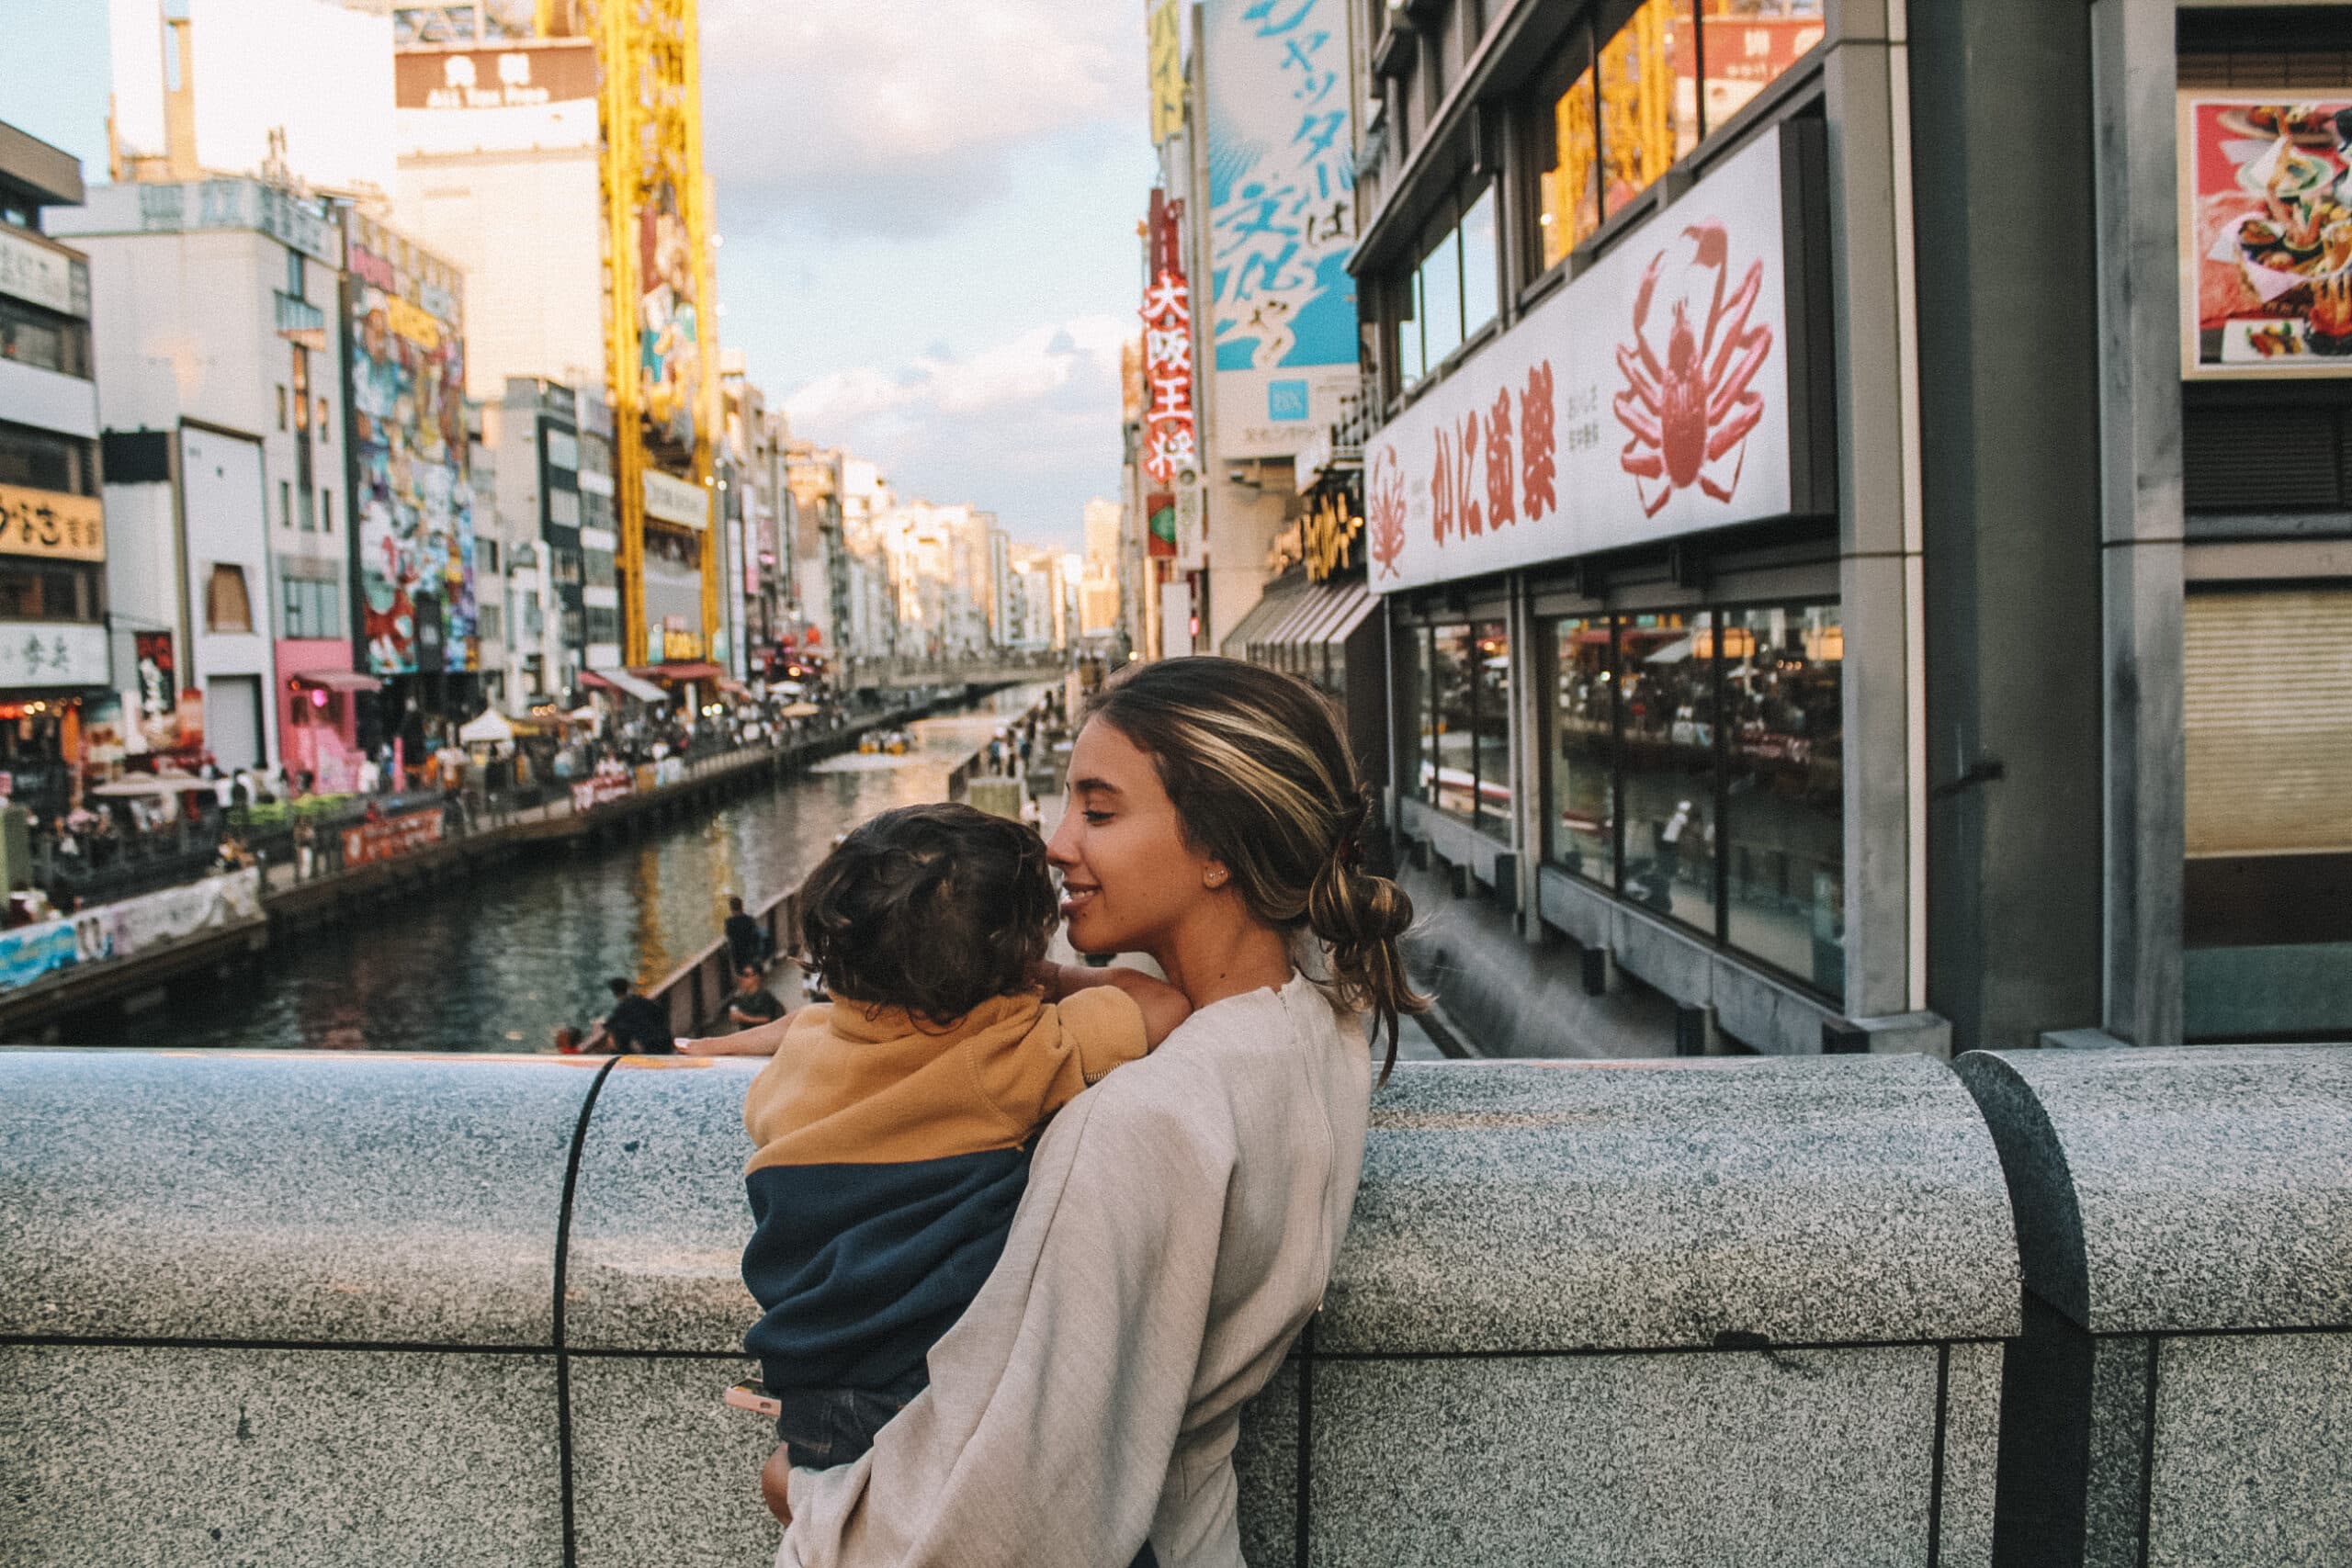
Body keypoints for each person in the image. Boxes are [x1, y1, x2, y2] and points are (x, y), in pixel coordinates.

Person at [769, 657, 1421, 1568]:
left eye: (1099, 812)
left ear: (1218, 848)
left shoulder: (1133, 1122)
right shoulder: (1316, 1028)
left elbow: (996, 1528)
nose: (1055, 843)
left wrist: (806, 1494)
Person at [740, 802, 1192, 1513]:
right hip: (939, 1389)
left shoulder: (801, 1053)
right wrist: (1054, 983)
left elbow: (768, 1115)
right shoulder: (1006, 1050)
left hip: (816, 1397)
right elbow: (1161, 1005)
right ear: (1016, 955)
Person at [600, 977, 673, 1055]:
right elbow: (660, 1013)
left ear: (615, 993)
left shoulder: (622, 1009)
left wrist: (610, 1035)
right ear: (627, 989)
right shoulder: (642, 1001)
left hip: (651, 1046)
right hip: (665, 1041)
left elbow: (610, 1025)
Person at [724, 965, 786, 1032]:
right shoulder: (741, 998)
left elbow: (766, 1019)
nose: (742, 978)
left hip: (764, 1034)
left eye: (746, 975)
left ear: (756, 977)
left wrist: (743, 1018)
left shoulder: (764, 996)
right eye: (741, 975)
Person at [722, 895, 764, 976]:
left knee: (743, 976)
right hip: (751, 955)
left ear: (731, 908)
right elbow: (756, 937)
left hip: (738, 957)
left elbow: (729, 937)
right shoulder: (749, 920)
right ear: (742, 906)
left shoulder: (729, 922)